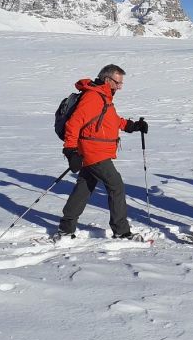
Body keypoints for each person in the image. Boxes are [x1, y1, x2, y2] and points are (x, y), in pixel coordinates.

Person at [54, 64, 148, 242]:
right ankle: (121, 230)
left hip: (96, 151)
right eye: (117, 83)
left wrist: (132, 126)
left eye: (121, 83)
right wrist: (70, 150)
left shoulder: (103, 96)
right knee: (116, 185)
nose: (120, 87)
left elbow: (110, 120)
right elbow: (73, 124)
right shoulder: (93, 97)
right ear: (107, 80)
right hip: (94, 152)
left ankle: (66, 227)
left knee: (84, 187)